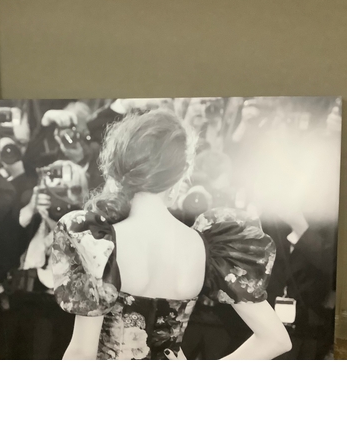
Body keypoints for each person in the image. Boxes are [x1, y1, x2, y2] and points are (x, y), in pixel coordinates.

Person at [49, 108, 291, 360]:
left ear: (121, 166)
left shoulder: (100, 244)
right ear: (180, 173)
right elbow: (275, 340)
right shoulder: (205, 246)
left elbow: (81, 353)